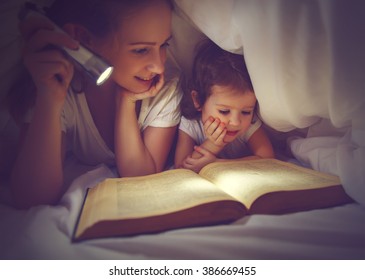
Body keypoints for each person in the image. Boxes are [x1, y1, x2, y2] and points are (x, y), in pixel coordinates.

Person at [9, 0, 182, 208]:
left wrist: (126, 101)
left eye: (164, 45)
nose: (158, 66)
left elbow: (139, 178)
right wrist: (49, 99)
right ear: (83, 39)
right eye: (141, 50)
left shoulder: (165, 85)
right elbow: (30, 198)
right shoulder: (62, 86)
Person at [174, 39, 274, 173]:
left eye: (246, 112)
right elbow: (181, 169)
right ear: (197, 100)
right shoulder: (191, 124)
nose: (235, 122)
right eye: (224, 111)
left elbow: (268, 159)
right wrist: (214, 144)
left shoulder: (250, 124)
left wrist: (218, 163)